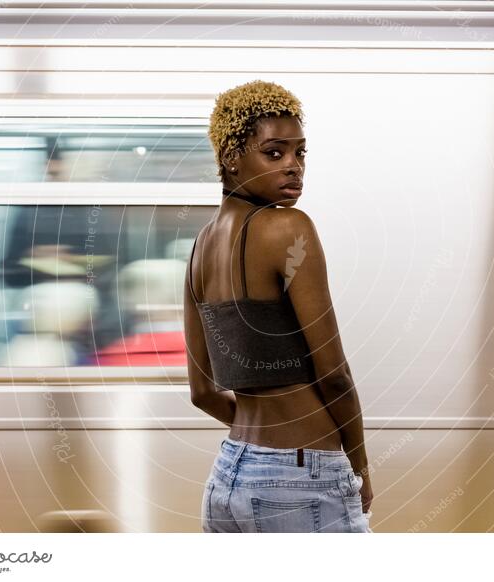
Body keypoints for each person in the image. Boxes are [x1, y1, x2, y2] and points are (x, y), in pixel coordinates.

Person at [184, 80, 372, 532]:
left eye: (300, 153)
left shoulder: (199, 248)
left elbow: (203, 392)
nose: (294, 167)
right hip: (300, 479)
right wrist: (359, 465)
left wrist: (258, 443)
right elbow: (334, 374)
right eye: (274, 153)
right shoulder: (288, 227)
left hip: (229, 476)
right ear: (231, 158)